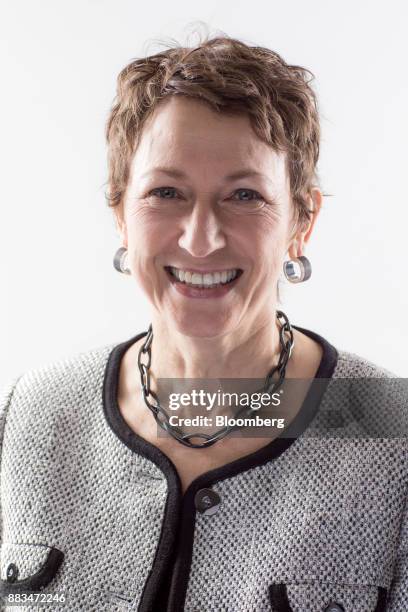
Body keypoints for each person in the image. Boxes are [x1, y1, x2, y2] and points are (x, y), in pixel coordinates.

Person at [0, 34, 407, 612]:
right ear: (120, 213)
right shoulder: (31, 416)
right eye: (166, 192)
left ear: (302, 222)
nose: (200, 238)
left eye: (244, 195)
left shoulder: (393, 432)